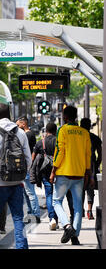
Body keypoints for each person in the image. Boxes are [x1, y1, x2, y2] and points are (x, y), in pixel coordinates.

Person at [0, 103, 32, 249]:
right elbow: (28, 159)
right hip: (16, 184)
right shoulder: (21, 133)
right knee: (18, 219)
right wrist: (20, 176)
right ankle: (22, 246)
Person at [49, 105, 93, 245]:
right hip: (79, 175)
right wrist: (88, 173)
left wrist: (53, 169)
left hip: (63, 173)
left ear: (65, 117)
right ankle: (75, 235)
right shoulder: (84, 132)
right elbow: (88, 154)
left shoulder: (63, 130)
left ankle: (67, 226)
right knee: (78, 206)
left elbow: (60, 151)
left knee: (56, 201)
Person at [31, 122, 58, 230]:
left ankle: (52, 218)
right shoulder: (58, 141)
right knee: (58, 197)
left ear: (46, 131)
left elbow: (33, 158)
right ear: (56, 131)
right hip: (58, 171)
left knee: (49, 195)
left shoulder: (40, 142)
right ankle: (59, 218)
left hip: (45, 172)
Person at [16, 116, 41, 223]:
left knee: (30, 192)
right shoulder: (29, 134)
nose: (17, 127)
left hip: (27, 166)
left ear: (23, 124)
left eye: (18, 125)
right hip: (27, 166)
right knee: (27, 192)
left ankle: (35, 214)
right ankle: (31, 213)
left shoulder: (27, 135)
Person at [80, 118, 102, 220]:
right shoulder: (94, 137)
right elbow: (100, 153)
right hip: (91, 164)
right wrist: (97, 163)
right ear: (89, 126)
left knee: (80, 188)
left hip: (79, 164)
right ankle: (89, 210)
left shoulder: (78, 137)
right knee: (90, 188)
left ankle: (81, 210)